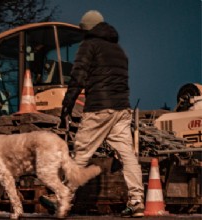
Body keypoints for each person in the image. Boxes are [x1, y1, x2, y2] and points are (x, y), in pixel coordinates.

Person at [40, 10, 145, 218]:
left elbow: (77, 77)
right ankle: (137, 201)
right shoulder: (120, 51)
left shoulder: (89, 46)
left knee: (81, 152)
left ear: (87, 29)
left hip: (99, 108)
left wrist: (67, 106)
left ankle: (62, 199)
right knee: (127, 155)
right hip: (122, 109)